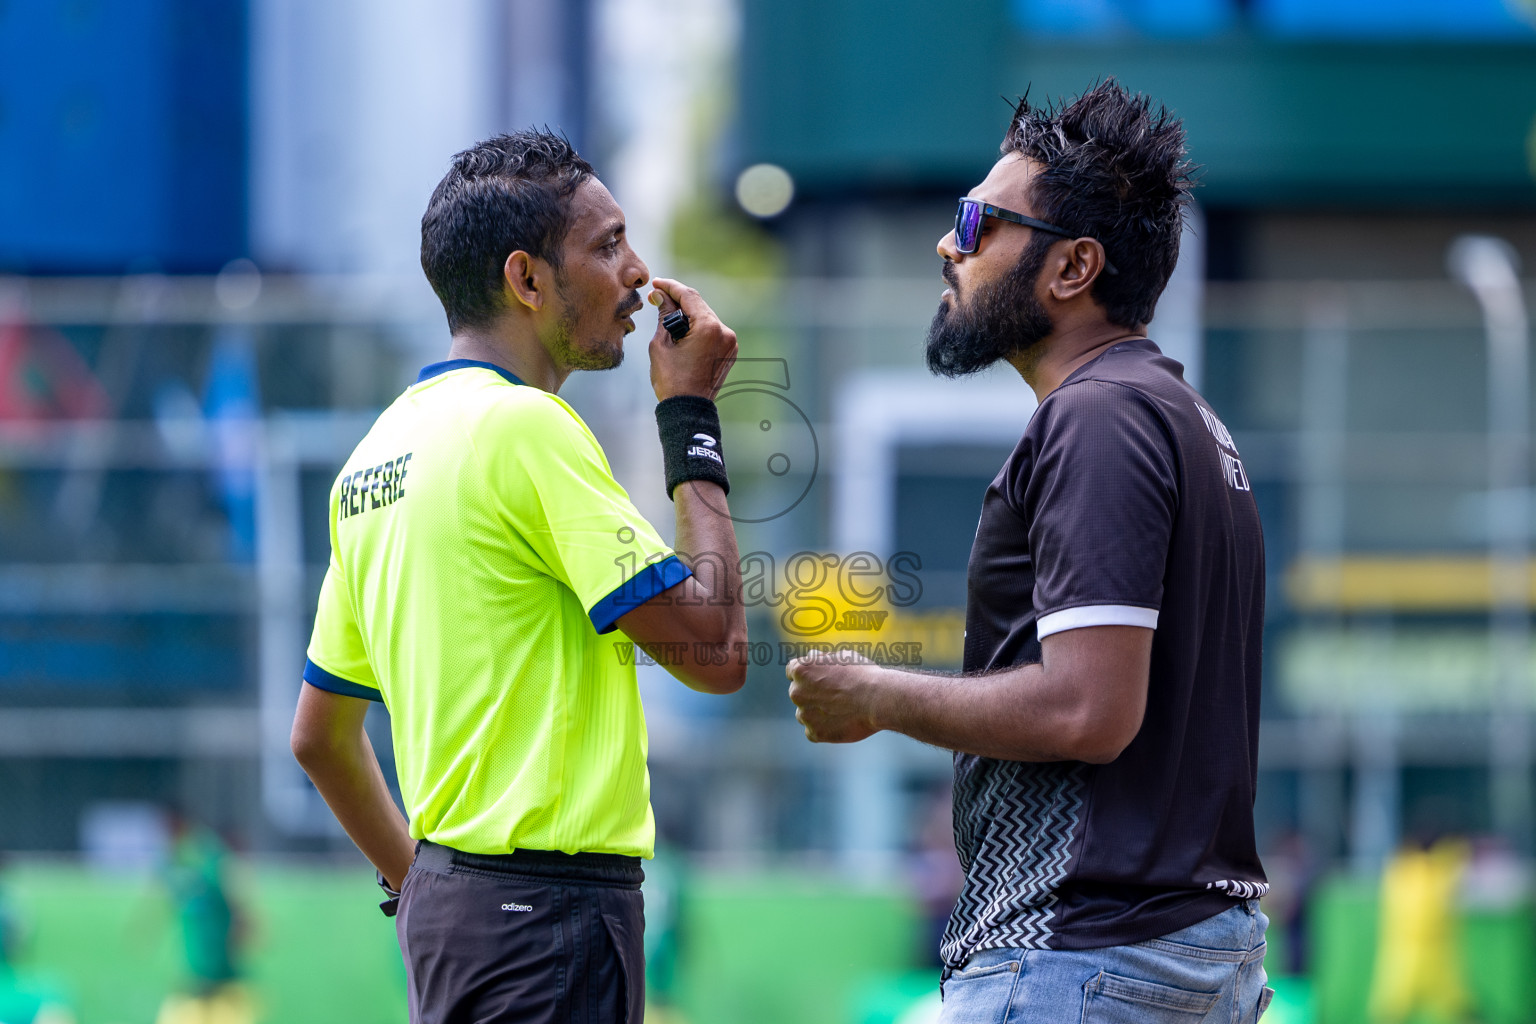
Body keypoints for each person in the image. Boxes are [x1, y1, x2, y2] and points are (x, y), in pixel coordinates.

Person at [787, 81, 1272, 1022]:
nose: (948, 245)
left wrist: (877, 697)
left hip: (1082, 959)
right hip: (1172, 961)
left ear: (1073, 268)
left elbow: (1090, 709)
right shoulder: (1179, 417)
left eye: (978, 223)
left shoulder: (1099, 417)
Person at [290, 129, 747, 1023]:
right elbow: (719, 650)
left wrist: (419, 887)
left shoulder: (372, 461)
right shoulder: (525, 430)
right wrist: (691, 414)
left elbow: (319, 736)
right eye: (608, 244)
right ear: (527, 280)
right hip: (551, 921)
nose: (640, 274)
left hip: (459, 919)